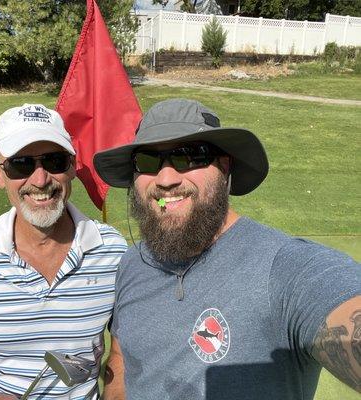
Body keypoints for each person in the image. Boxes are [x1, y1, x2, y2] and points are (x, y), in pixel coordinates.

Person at [93, 99, 361, 400]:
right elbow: (122, 357)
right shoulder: (133, 263)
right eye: (147, 161)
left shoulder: (285, 267)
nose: (166, 179)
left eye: (189, 156)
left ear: (224, 166)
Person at [0, 104, 127, 399]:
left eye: (54, 161)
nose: (40, 180)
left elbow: (122, 349)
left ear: (72, 168)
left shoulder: (113, 251)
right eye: (21, 164)